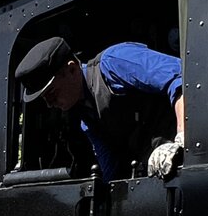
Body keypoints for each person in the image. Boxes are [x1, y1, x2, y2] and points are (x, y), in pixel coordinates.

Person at [15, 37, 185, 181]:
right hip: (159, 173)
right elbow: (110, 169)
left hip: (185, 159)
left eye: (52, 93)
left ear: (72, 69)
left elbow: (180, 80)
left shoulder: (114, 62)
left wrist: (181, 138)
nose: (50, 104)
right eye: (45, 99)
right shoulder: (86, 120)